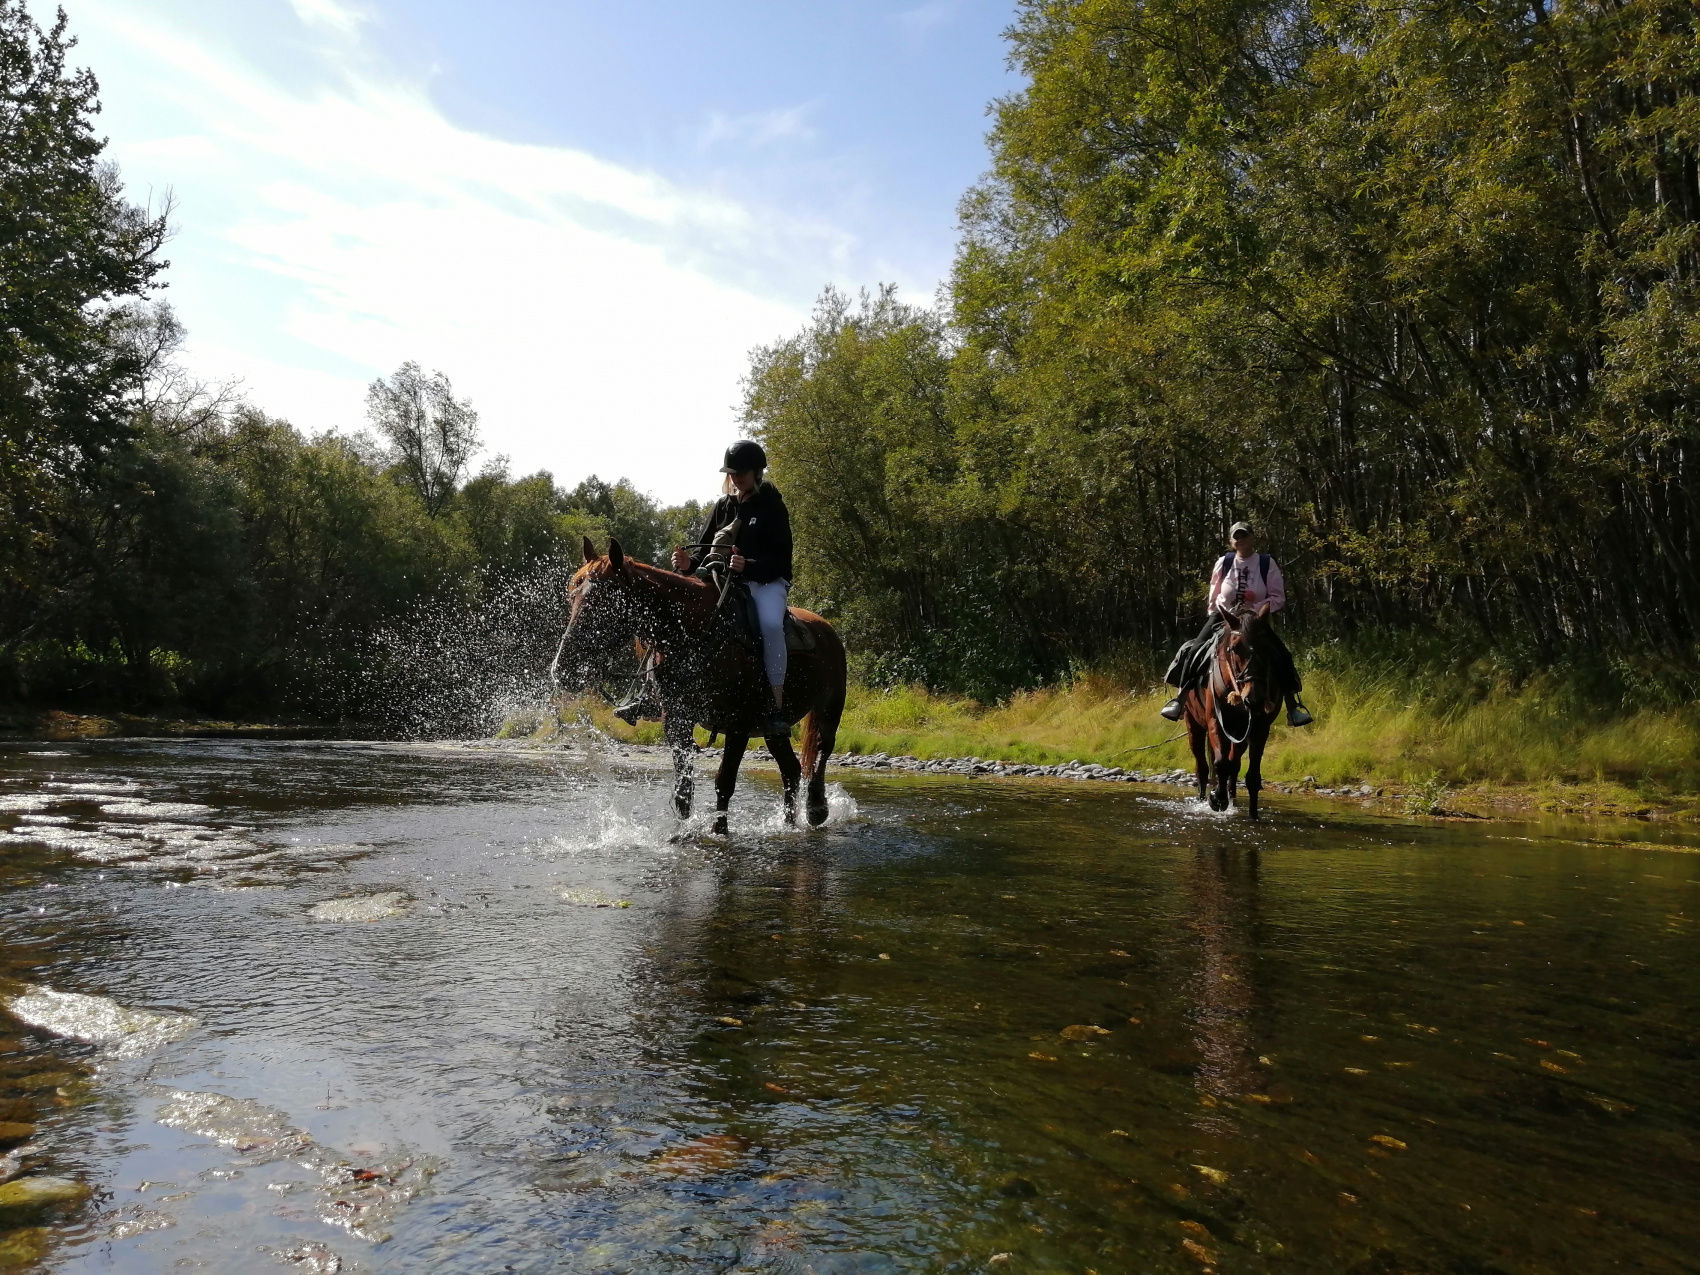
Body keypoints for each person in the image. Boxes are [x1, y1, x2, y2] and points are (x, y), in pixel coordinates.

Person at [670, 440, 795, 736]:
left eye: (742, 472)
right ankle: (652, 695)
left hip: (766, 584)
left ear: (756, 472)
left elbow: (782, 558)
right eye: (733, 472)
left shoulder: (772, 506)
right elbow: (705, 552)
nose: (736, 478)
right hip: (723, 583)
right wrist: (687, 563)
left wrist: (748, 566)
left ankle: (776, 706)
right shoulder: (723, 506)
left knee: (771, 625)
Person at [1160, 521, 1312, 726]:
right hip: (1224, 617)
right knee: (1194, 650)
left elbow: (1278, 596)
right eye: (1236, 536)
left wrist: (1258, 610)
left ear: (1252, 537)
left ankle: (1293, 706)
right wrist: (1216, 613)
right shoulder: (1224, 562)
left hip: (1254, 620)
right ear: (1231, 541)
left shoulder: (1266, 563)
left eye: (1244, 535)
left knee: (1281, 654)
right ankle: (1180, 699)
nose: (1240, 540)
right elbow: (1214, 592)